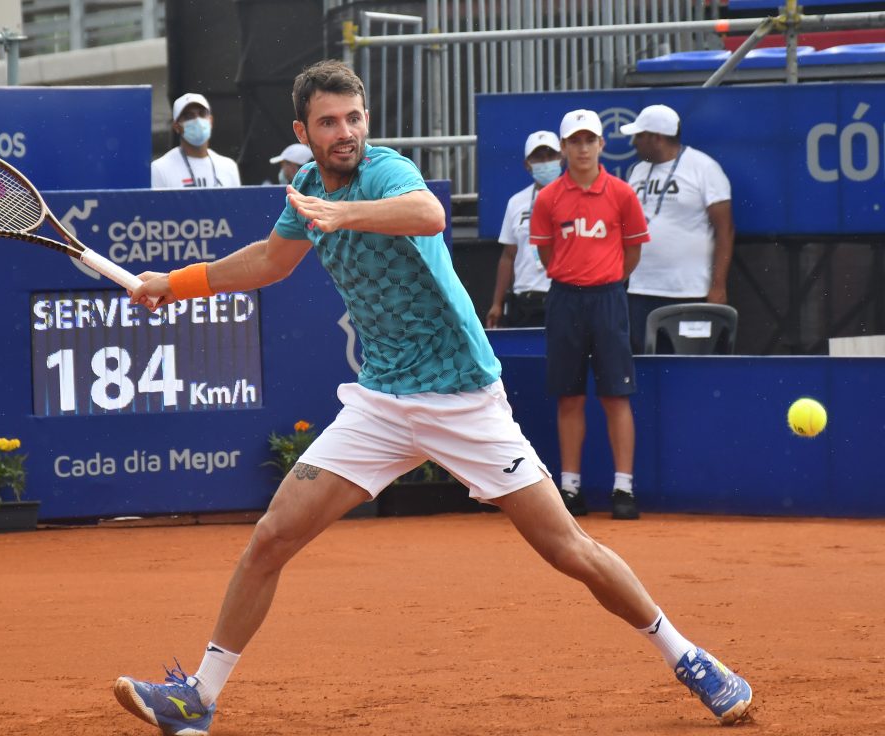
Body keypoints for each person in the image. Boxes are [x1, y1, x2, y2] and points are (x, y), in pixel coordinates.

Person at [114, 61, 753, 736]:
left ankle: (689, 657)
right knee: (272, 537)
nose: (345, 133)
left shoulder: (384, 173)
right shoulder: (305, 186)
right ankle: (197, 700)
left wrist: (344, 212)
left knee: (566, 548)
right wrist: (174, 283)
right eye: (328, 122)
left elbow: (428, 213)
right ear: (304, 130)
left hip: (462, 397)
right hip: (382, 402)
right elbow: (270, 261)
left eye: (354, 118)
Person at [529, 109, 646, 522]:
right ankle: (571, 487)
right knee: (570, 395)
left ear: (601, 144)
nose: (582, 148)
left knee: (616, 394)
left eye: (589, 140)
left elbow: (632, 252)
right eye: (574, 141)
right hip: (565, 300)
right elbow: (547, 255)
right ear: (563, 148)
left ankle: (623, 488)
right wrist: (576, 277)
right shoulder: (548, 199)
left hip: (609, 300)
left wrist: (606, 278)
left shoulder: (622, 194)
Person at [619, 104, 735, 354]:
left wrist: (718, 286)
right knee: (644, 363)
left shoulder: (703, 168)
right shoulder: (638, 171)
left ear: (657, 138)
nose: (634, 142)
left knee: (689, 362)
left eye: (639, 135)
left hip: (689, 290)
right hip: (641, 289)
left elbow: (725, 230)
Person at [485, 130, 562, 328]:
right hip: (525, 300)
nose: (545, 162)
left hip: (564, 296)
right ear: (527, 164)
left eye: (550, 156)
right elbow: (508, 256)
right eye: (538, 157)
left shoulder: (576, 198)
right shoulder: (516, 202)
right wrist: (497, 303)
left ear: (561, 159)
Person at [151, 92, 242, 189]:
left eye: (202, 114)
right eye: (189, 116)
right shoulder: (160, 168)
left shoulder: (228, 167)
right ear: (176, 126)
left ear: (210, 121)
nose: (197, 120)